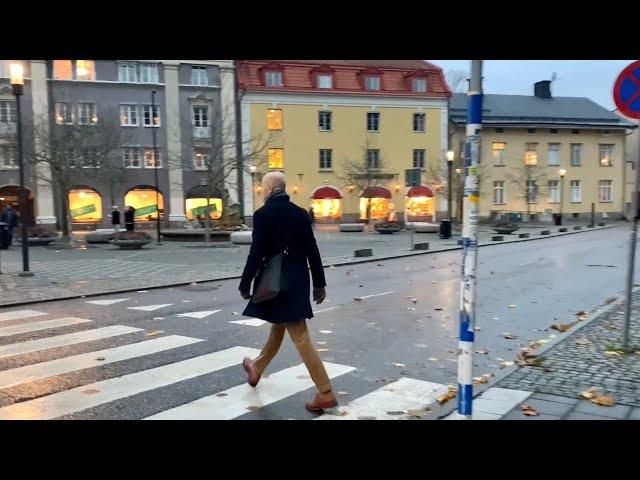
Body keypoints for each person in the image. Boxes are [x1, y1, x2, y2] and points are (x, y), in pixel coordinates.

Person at [239, 171, 337, 412]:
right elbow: (312, 250)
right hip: (297, 280)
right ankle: (257, 368)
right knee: (278, 327)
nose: (262, 192)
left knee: (300, 337)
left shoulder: (263, 215)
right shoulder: (300, 214)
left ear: (271, 190)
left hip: (275, 281)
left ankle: (325, 391)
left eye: (263, 189)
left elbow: (256, 252)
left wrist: (245, 283)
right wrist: (319, 282)